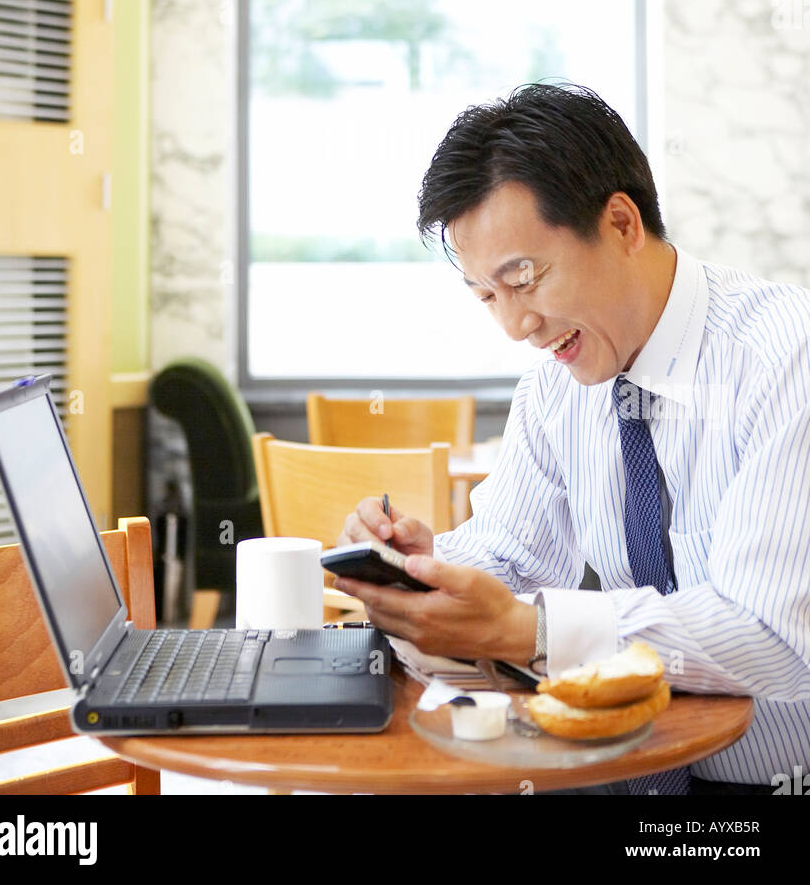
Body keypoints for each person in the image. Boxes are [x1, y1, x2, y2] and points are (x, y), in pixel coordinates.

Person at [335, 83, 810, 795]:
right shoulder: (558, 387)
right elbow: (511, 552)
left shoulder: (784, 355)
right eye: (487, 295)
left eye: (523, 278)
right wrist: (420, 569)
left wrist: (532, 631)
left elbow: (768, 635)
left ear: (621, 224)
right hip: (615, 768)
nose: (514, 325)